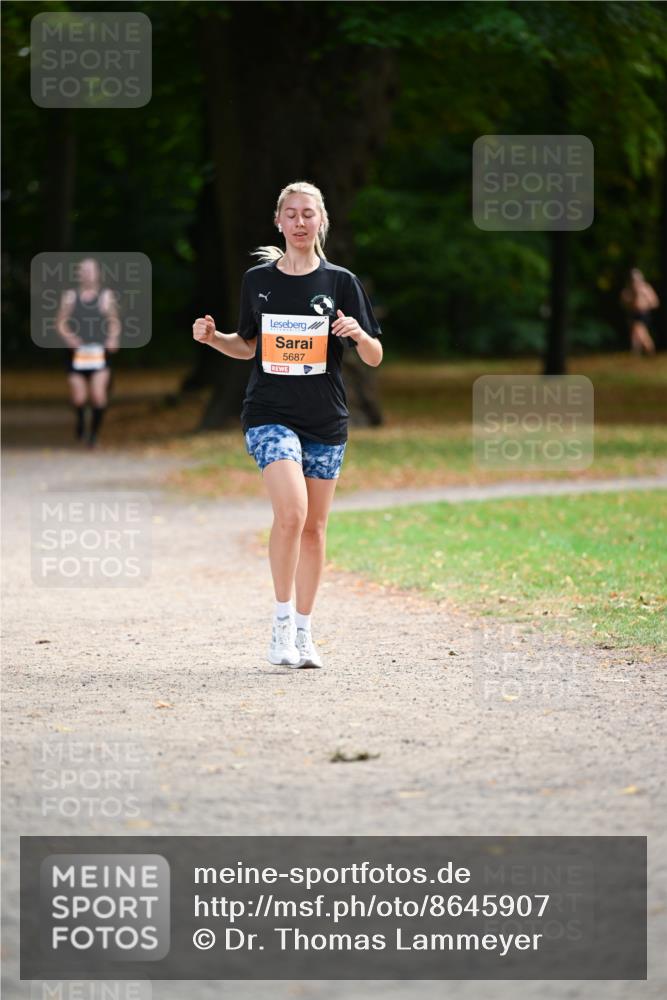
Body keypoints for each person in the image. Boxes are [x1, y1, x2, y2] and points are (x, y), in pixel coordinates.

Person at [192, 180, 383, 668]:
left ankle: (304, 630)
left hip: (326, 417)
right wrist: (215, 339)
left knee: (315, 529)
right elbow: (248, 346)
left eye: (308, 214)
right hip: (269, 413)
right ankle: (279, 626)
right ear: (278, 221)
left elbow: (375, 356)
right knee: (292, 513)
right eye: (291, 214)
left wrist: (358, 332)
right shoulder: (258, 280)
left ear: (322, 222)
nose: (300, 222)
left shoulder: (341, 283)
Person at [56, 257, 121, 446]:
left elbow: (114, 321)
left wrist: (113, 338)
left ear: (98, 273)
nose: (87, 274)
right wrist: (69, 337)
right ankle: (81, 423)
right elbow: (60, 322)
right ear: (78, 274)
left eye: (91, 270)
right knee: (79, 397)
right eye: (83, 271)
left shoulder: (106, 296)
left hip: (99, 353)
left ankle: (93, 435)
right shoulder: (70, 296)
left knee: (98, 395)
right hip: (77, 354)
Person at [620, 268, 660, 356]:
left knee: (639, 332)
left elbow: (655, 302)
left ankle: (646, 351)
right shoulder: (628, 290)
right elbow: (624, 303)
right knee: (636, 335)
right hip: (633, 314)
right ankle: (640, 354)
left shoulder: (645, 289)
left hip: (643, 314)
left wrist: (644, 302)